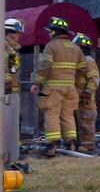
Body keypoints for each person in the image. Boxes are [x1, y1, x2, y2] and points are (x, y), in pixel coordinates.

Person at [30, 17, 87, 157]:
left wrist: (36, 83)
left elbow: (45, 66)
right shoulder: (76, 48)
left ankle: (51, 145)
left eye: (50, 31)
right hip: (70, 89)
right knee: (68, 115)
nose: (49, 34)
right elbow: (82, 70)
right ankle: (71, 142)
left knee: (52, 113)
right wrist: (78, 87)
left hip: (54, 88)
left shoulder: (51, 46)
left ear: (55, 32)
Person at [73, 33, 100, 152]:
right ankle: (77, 144)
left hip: (86, 100)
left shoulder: (88, 61)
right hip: (76, 99)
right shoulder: (76, 62)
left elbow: (94, 78)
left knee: (86, 122)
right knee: (76, 123)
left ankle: (88, 145)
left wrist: (88, 92)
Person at [4, 18, 24, 164]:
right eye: (17, 33)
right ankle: (9, 149)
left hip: (9, 88)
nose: (19, 36)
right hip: (7, 88)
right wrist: (13, 87)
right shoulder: (7, 48)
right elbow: (12, 70)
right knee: (11, 120)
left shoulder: (11, 48)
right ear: (11, 33)